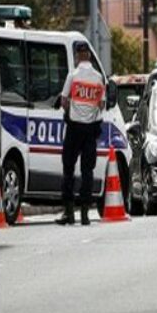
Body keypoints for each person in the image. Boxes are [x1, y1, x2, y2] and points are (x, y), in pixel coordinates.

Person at [55, 41, 107, 225]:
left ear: (77, 56)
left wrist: (73, 110)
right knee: (87, 171)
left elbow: (63, 101)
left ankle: (69, 213)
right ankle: (85, 214)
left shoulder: (73, 76)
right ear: (90, 56)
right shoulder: (98, 78)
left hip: (74, 128)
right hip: (90, 129)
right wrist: (90, 111)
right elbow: (102, 104)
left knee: (68, 169)